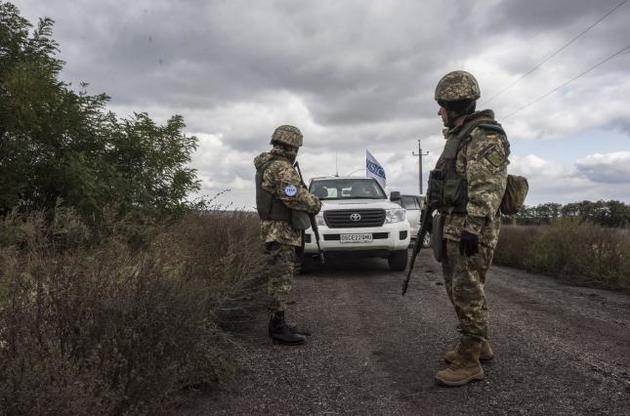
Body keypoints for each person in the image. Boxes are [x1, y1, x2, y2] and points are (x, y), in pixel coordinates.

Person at [428, 71, 510, 386]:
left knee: (467, 290)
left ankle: (470, 361)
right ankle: (479, 343)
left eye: (442, 106)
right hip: (456, 224)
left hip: (470, 228)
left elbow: (487, 187)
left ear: (456, 105)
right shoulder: (460, 136)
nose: (439, 112)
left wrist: (472, 228)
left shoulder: (485, 136)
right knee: (462, 289)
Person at [254, 125, 322, 345]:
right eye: (296, 146)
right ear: (292, 145)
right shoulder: (282, 168)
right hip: (280, 231)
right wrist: (314, 203)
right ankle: (277, 329)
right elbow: (292, 196)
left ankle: (279, 322)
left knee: (279, 278)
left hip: (273, 230)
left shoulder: (268, 165)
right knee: (280, 281)